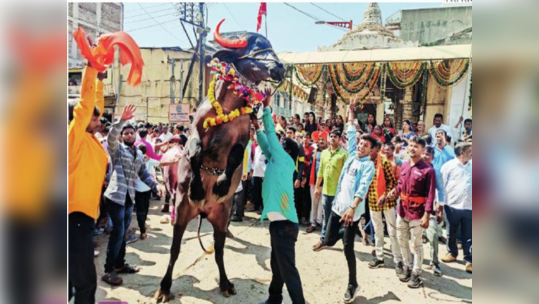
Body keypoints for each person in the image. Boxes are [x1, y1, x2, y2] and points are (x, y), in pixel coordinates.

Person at [253, 93, 306, 304]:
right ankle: (274, 299)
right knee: (278, 268)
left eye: (282, 142)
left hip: (285, 226)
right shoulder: (277, 159)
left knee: (288, 270)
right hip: (278, 225)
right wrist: (257, 127)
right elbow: (267, 144)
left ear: (287, 151)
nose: (278, 143)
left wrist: (266, 110)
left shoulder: (284, 160)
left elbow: (272, 139)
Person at [102, 105, 161, 286]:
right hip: (115, 196)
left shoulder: (138, 154)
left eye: (131, 133)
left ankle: (119, 264)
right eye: (125, 133)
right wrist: (122, 120)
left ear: (135, 136)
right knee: (118, 232)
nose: (128, 135)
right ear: (122, 136)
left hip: (129, 198)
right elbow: (112, 136)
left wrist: (155, 186)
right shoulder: (117, 150)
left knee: (124, 232)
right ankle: (108, 270)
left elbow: (143, 173)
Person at [323, 102, 376, 303]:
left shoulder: (368, 165)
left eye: (366, 145)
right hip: (337, 208)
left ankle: (352, 284)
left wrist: (353, 209)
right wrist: (351, 112)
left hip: (351, 212)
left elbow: (362, 188)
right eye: (361, 144)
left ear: (371, 150)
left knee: (347, 250)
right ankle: (349, 233)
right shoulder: (353, 154)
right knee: (328, 241)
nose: (361, 146)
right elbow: (352, 132)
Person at [68, 63, 108, 304]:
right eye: (94, 118)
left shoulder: (89, 138)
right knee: (85, 282)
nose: (99, 120)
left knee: (71, 278)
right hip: (74, 218)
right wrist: (91, 70)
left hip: (82, 217)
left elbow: (94, 108)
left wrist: (100, 80)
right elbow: (85, 107)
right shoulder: (73, 138)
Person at [388, 136, 436, 289]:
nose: (412, 148)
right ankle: (407, 266)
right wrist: (394, 192)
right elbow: (400, 185)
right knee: (401, 239)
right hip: (402, 210)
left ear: (422, 150)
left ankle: (417, 273)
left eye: (416, 146)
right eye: (410, 145)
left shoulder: (428, 170)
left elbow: (430, 194)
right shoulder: (404, 166)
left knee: (417, 244)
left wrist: (427, 215)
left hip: (418, 213)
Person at [367, 141, 402, 274]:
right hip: (373, 200)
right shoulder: (366, 162)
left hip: (387, 201)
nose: (368, 151)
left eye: (370, 148)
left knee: (392, 231)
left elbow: (392, 182)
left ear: (376, 149)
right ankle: (380, 257)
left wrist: (385, 195)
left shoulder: (385, 162)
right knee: (377, 230)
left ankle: (398, 260)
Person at [312, 129, 348, 251]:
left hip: (339, 193)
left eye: (335, 137)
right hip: (326, 191)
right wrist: (317, 187)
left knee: (340, 219)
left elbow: (346, 175)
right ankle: (323, 240)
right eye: (331, 136)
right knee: (326, 216)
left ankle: (345, 242)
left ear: (339, 139)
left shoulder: (344, 154)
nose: (332, 138)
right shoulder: (324, 153)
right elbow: (320, 171)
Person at [440, 142, 473, 274]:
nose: (472, 153)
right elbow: (441, 186)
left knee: (469, 234)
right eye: (470, 150)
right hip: (451, 205)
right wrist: (439, 204)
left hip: (470, 205)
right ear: (462, 152)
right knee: (451, 231)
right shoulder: (449, 166)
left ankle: (469, 260)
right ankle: (452, 253)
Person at [421, 146, 444, 277]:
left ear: (433, 157)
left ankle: (435, 262)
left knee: (433, 235)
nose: (425, 156)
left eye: (428, 154)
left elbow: (440, 190)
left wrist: (439, 208)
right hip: (414, 208)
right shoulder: (414, 167)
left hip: (429, 210)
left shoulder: (435, 172)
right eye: (423, 153)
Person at [135, 144, 160, 240]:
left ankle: (143, 229)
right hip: (148, 188)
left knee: (140, 210)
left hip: (138, 189)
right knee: (145, 209)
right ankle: (143, 228)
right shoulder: (149, 160)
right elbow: (160, 163)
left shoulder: (136, 160)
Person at [306, 132, 328, 233]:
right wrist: (305, 178)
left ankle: (322, 222)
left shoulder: (329, 152)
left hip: (326, 183)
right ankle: (313, 223)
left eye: (323, 139)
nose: (321, 141)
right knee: (314, 203)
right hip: (314, 182)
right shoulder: (314, 152)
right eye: (320, 139)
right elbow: (311, 167)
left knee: (323, 204)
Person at [286, 127, 306, 225]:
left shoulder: (298, 146)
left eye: (290, 132)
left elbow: (302, 163)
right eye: (287, 132)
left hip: (294, 175)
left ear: (294, 134)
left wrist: (298, 178)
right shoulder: (283, 146)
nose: (288, 134)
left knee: (295, 198)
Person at [301, 133, 314, 226]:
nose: (305, 139)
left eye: (307, 137)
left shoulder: (312, 149)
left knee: (306, 198)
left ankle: (306, 216)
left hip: (307, 175)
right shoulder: (299, 148)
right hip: (299, 175)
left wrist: (306, 177)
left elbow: (311, 164)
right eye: (303, 137)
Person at [251, 136, 267, 214]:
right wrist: (252, 169)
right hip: (256, 173)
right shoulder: (257, 148)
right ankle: (258, 207)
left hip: (264, 174)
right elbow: (255, 159)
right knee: (257, 191)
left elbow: (267, 161)